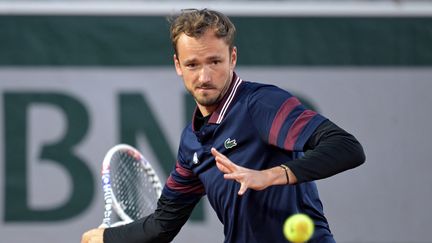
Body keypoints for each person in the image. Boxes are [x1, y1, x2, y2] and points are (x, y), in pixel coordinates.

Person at [82, 8, 365, 243]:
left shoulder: (261, 104)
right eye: (192, 64)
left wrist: (271, 175)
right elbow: (162, 226)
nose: (205, 76)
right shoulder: (192, 143)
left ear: (232, 58)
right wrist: (104, 238)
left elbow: (346, 147)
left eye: (215, 61)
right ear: (178, 66)